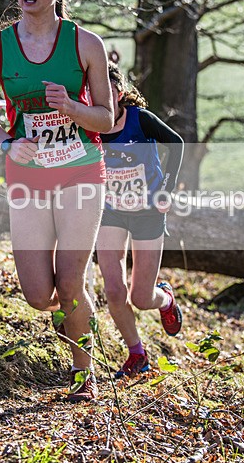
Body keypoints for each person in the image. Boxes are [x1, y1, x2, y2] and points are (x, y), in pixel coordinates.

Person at [0, 0, 113, 402]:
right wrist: (9, 143)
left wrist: (72, 107)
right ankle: (71, 316)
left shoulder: (85, 44)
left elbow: (106, 119)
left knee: (71, 280)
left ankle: (83, 373)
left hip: (80, 171)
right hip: (28, 174)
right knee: (38, 294)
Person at [95, 62, 185, 378]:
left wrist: (166, 189)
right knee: (115, 291)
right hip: (111, 212)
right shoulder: (89, 125)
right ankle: (137, 354)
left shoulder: (140, 120)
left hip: (148, 212)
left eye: (104, 91)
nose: (97, 98)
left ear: (119, 94)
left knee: (141, 297)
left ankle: (165, 299)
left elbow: (177, 144)